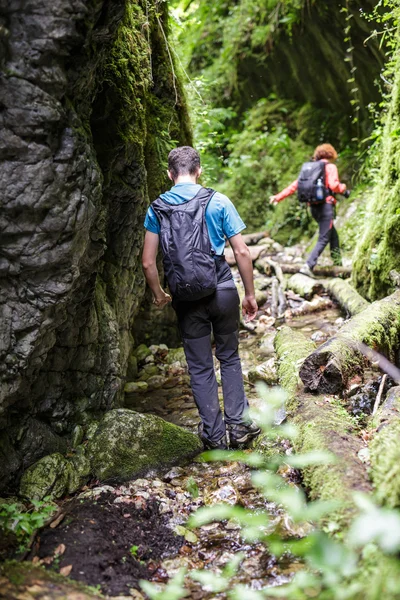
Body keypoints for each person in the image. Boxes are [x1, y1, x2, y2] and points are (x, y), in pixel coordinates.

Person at [142, 146, 261, 450]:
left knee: (199, 366)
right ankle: (239, 428)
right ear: (199, 170)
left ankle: (214, 436)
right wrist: (249, 294)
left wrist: (159, 293)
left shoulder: (157, 208)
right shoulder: (217, 200)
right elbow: (242, 252)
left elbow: (148, 262)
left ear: (170, 174)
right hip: (221, 287)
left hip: (185, 296)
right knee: (230, 357)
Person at [270, 143, 349, 277]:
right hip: (326, 207)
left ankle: (339, 267)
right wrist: (344, 188)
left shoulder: (310, 169)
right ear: (331, 154)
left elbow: (295, 186)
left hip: (314, 208)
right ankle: (308, 265)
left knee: (332, 236)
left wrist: (278, 197)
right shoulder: (330, 167)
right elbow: (334, 185)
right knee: (324, 237)